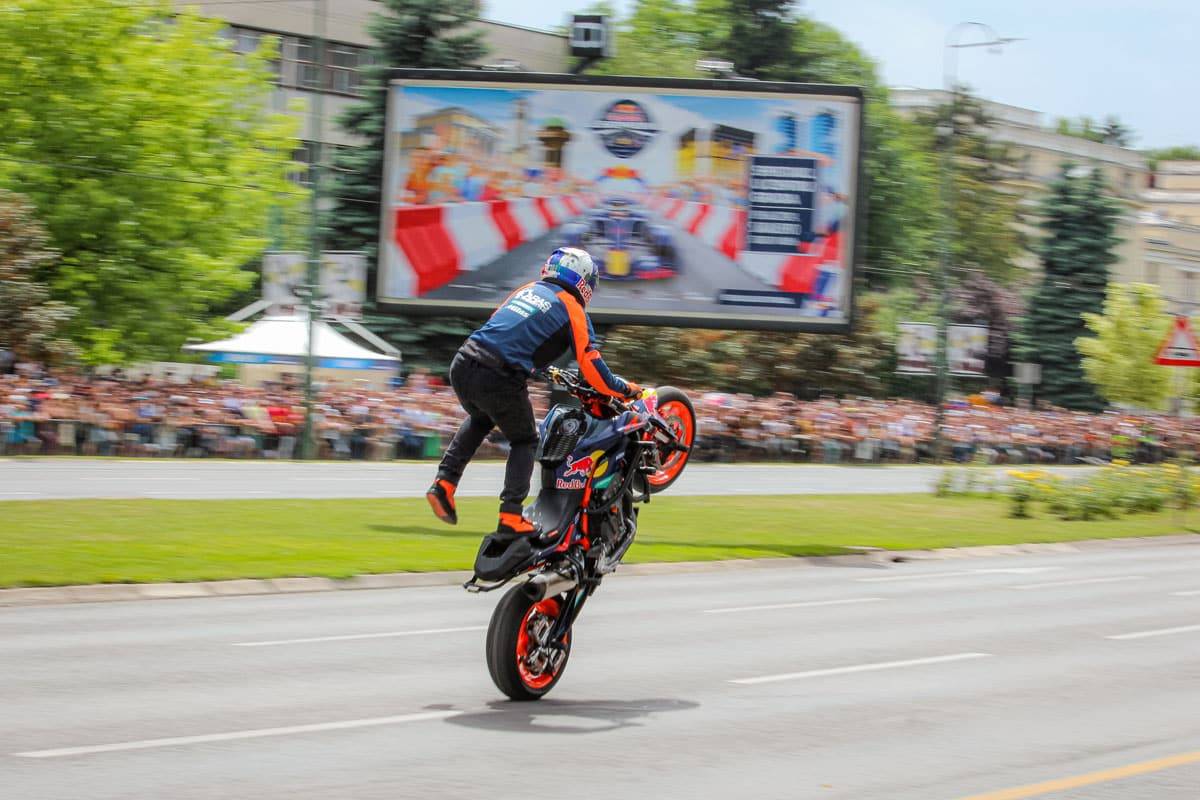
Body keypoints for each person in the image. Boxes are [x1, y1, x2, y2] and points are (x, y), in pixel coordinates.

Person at [426, 247, 640, 535]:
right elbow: (591, 365)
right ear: (583, 280)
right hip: (498, 374)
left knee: (481, 418)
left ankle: (444, 483)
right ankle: (511, 515)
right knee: (526, 439)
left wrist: (537, 366)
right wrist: (622, 389)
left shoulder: (526, 290)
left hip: (464, 362)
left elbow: (504, 328)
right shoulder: (572, 307)